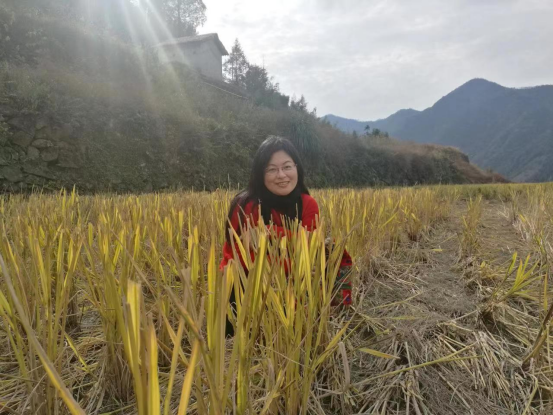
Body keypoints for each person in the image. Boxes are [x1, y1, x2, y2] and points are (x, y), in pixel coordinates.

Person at [220, 136, 352, 323]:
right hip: (249, 286)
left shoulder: (308, 204)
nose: (281, 175)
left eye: (287, 167)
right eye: (272, 169)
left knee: (333, 251)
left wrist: (271, 231)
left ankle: (331, 312)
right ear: (260, 174)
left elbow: (308, 248)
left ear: (297, 168)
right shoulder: (246, 205)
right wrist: (296, 256)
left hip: (293, 280)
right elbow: (247, 262)